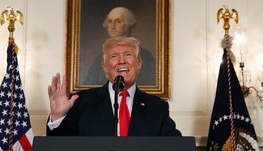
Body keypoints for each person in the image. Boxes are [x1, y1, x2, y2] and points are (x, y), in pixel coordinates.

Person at [47, 36, 180, 137]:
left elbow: (174, 145)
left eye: (128, 55)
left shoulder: (157, 107)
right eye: (114, 56)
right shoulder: (81, 101)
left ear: (138, 63)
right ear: (105, 67)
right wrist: (57, 116)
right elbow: (61, 147)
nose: (122, 61)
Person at [82, 7, 156, 86]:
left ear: (128, 24)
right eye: (110, 21)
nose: (113, 26)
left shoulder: (144, 56)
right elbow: (89, 86)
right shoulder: (99, 59)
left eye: (118, 21)